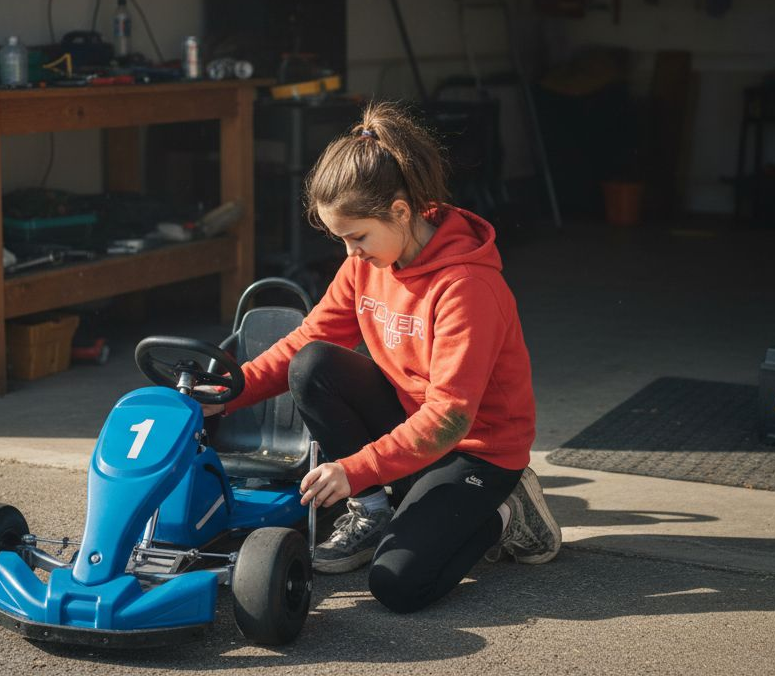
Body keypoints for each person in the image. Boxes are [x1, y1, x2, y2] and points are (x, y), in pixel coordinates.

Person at [209, 101, 560, 614]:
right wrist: (230, 392)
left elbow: (449, 418)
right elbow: (304, 341)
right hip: (412, 426)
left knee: (399, 585)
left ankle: (508, 512)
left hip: (474, 449)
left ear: (399, 211)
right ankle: (372, 511)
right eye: (341, 239)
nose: (350, 253)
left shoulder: (468, 288)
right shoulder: (366, 265)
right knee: (313, 363)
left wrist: (354, 468)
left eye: (357, 237)